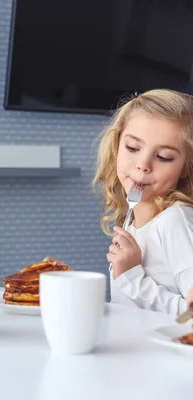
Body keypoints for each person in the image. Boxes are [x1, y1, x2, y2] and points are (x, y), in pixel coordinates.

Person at [93, 88, 193, 317]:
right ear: (117, 145)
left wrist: (131, 278)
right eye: (133, 148)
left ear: (186, 167)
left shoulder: (175, 220)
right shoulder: (132, 220)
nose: (143, 164)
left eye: (164, 157)